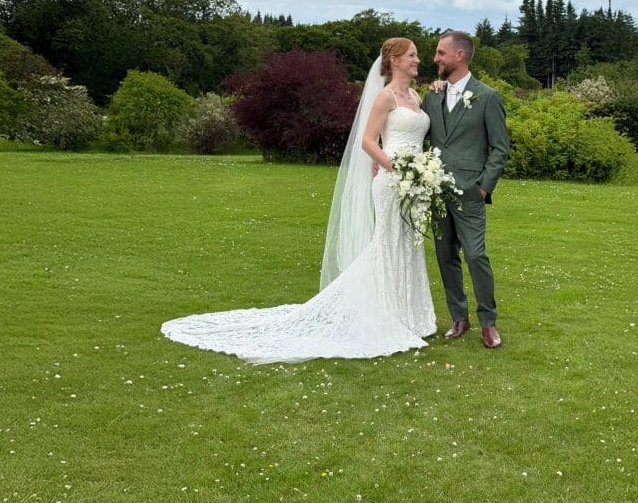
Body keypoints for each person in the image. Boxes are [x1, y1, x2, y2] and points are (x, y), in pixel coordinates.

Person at [161, 38, 436, 363]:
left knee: (408, 243)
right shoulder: (385, 97)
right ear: (394, 60)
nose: (418, 60)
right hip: (393, 181)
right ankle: (382, 314)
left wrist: (420, 172)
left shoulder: (416, 96)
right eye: (413, 55)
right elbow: (366, 140)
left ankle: (411, 315)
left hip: (418, 182)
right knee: (388, 243)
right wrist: (396, 168)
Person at [422, 31, 510, 348]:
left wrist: (483, 188)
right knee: (446, 257)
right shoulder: (432, 95)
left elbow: (500, 148)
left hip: (470, 192)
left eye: (440, 53)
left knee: (475, 255)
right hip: (435, 191)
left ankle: (489, 322)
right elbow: (420, 138)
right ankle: (458, 318)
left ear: (460, 55)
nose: (435, 59)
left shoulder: (487, 97)